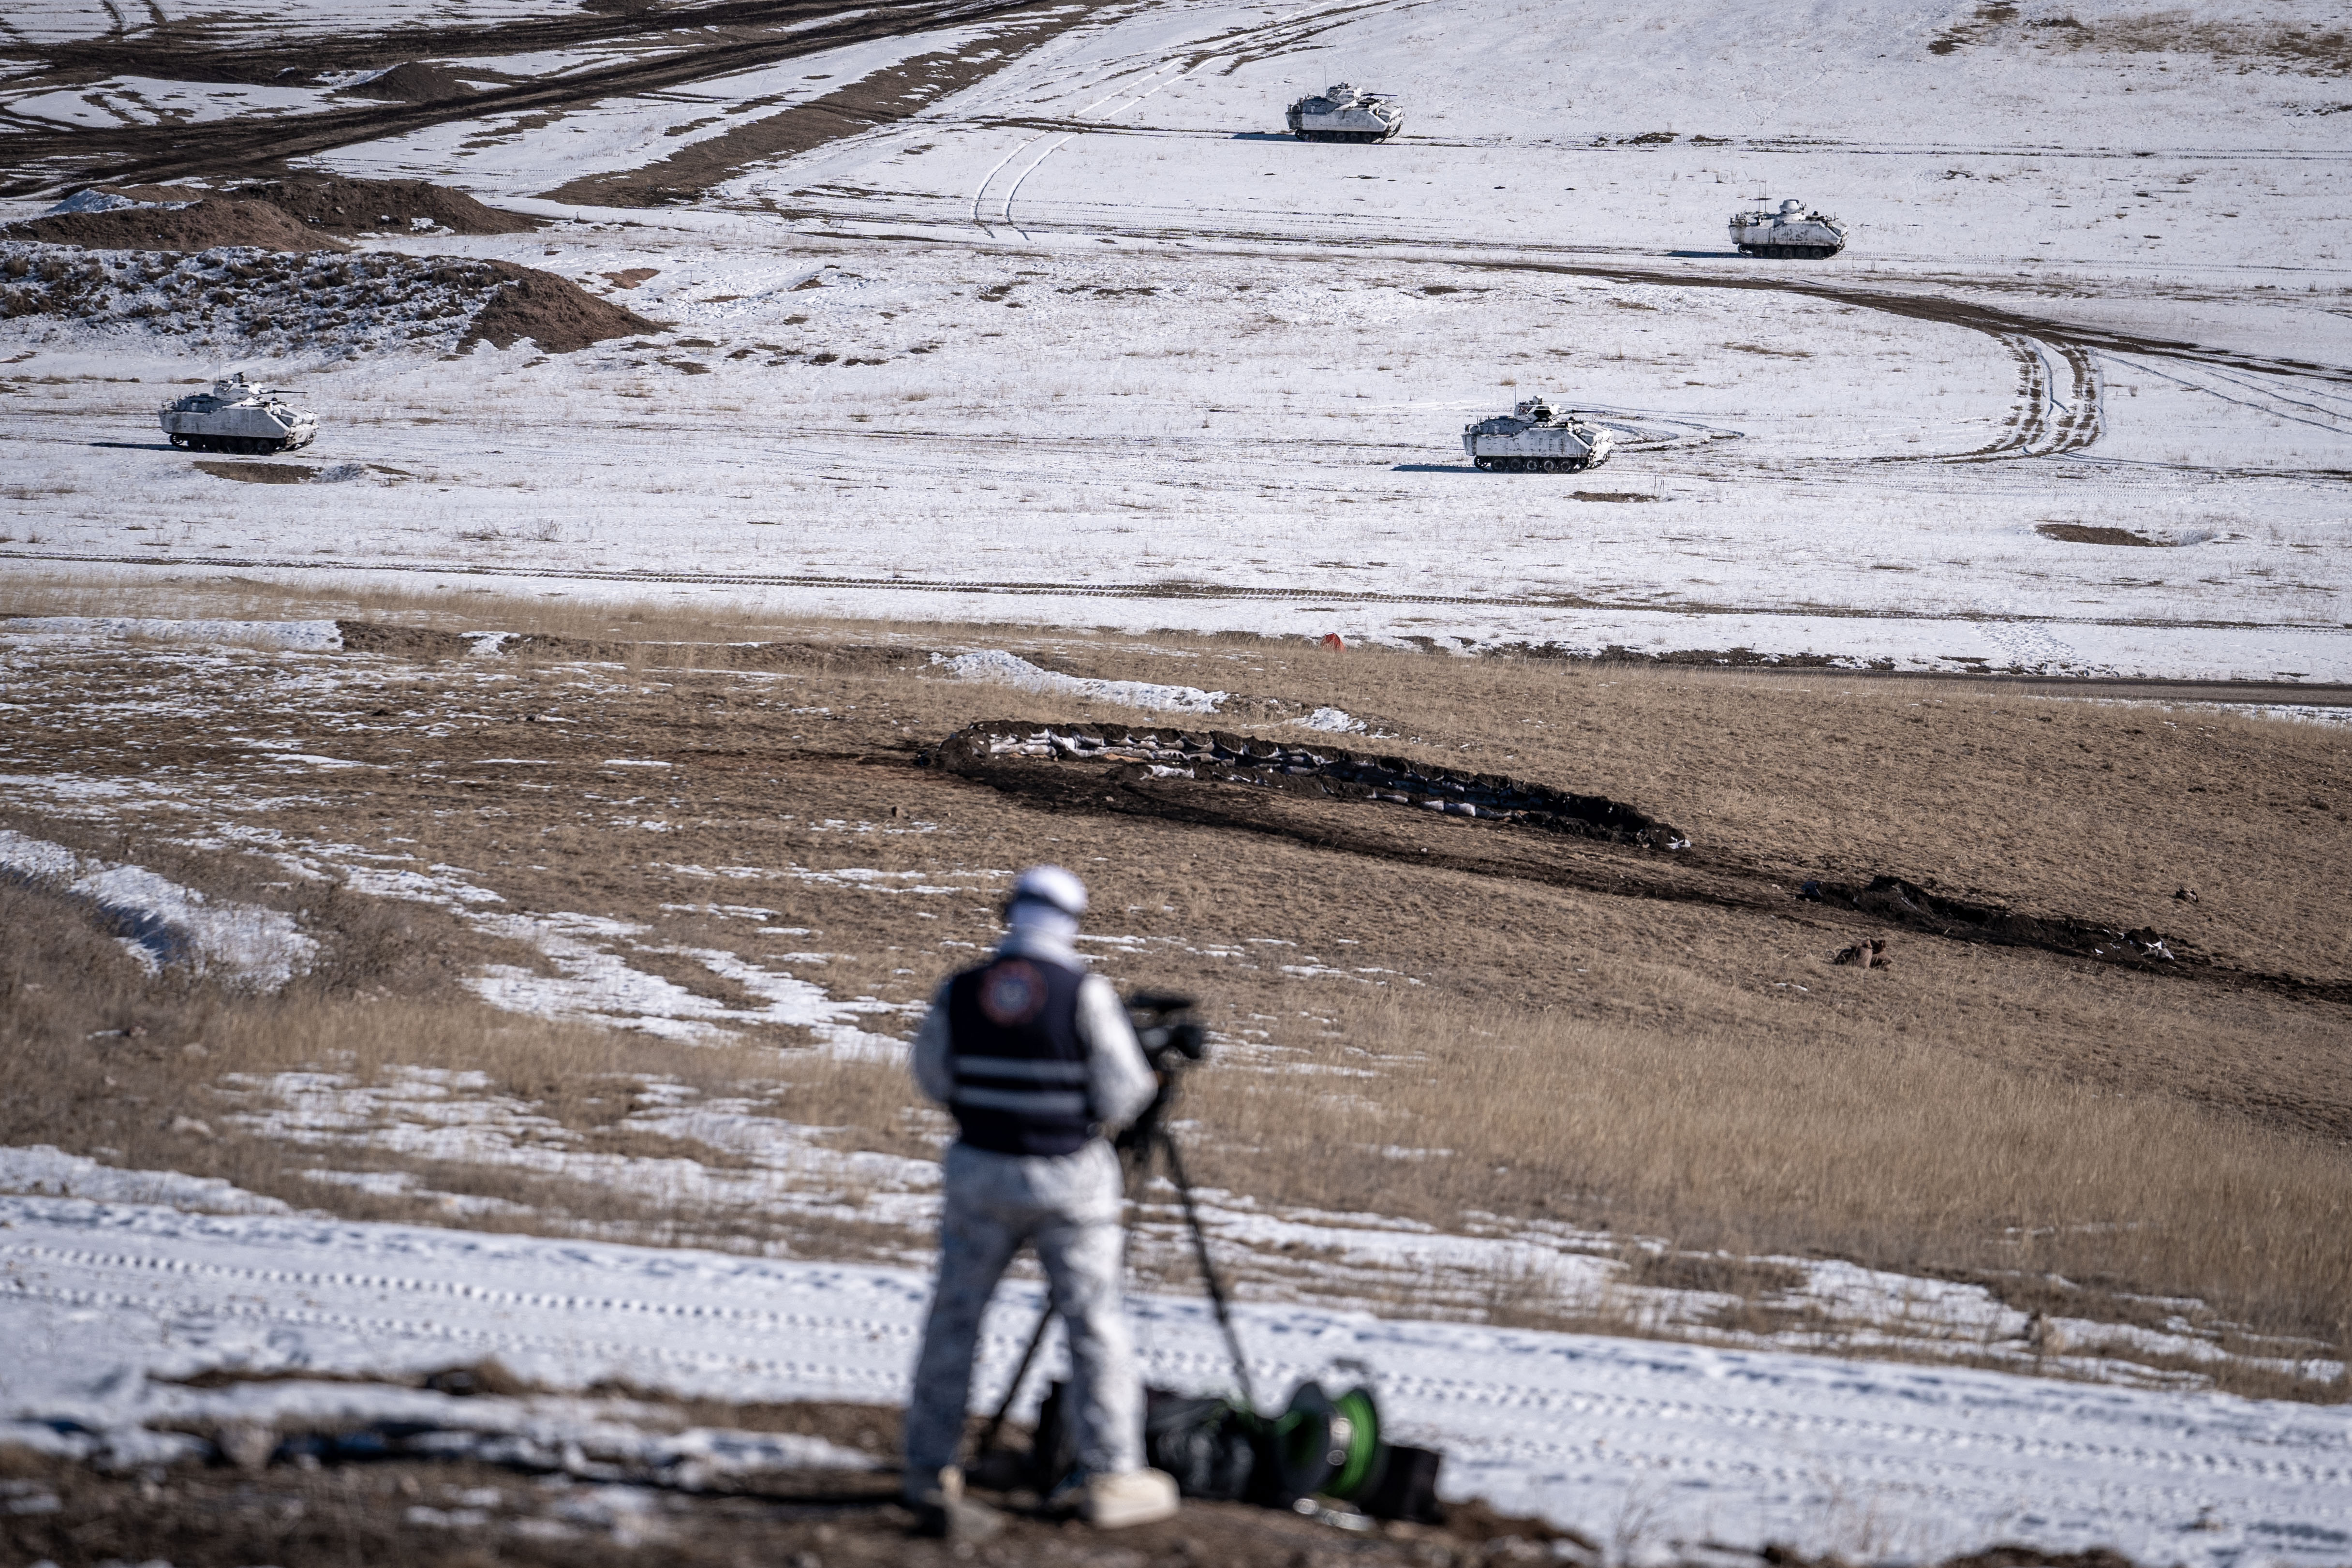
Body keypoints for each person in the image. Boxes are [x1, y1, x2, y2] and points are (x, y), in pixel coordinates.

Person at [902, 864, 1181, 1532]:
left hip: (980, 1171)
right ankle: (1112, 1471)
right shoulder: (1082, 991)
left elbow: (932, 1075)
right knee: (1094, 1324)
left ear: (1011, 912)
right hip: (1067, 1180)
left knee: (955, 1319)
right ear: (1072, 919)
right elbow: (1122, 1093)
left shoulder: (964, 988)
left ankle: (929, 1464)